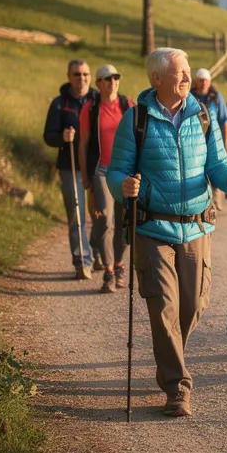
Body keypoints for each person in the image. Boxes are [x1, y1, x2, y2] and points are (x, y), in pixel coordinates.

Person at [106, 48, 227, 418]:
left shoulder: (202, 115)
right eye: (179, 72)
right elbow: (116, 170)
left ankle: (169, 358)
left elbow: (217, 165)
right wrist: (123, 186)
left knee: (194, 304)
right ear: (157, 79)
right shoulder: (136, 118)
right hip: (152, 226)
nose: (187, 78)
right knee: (164, 306)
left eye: (187, 71)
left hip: (196, 225)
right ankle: (176, 386)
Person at [78, 64, 134, 294]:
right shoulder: (91, 109)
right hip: (101, 171)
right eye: (107, 79)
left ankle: (119, 265)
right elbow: (83, 144)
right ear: (98, 83)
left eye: (115, 78)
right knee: (105, 221)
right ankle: (109, 270)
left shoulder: (128, 105)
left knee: (124, 223)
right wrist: (85, 175)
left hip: (126, 172)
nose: (112, 82)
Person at [43, 59, 95, 279]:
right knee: (76, 212)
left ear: (90, 77)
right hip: (70, 165)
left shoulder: (97, 100)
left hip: (96, 166)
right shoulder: (59, 103)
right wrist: (62, 137)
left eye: (85, 74)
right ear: (69, 77)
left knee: (102, 215)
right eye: (76, 74)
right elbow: (49, 136)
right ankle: (82, 261)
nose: (81, 78)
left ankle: (99, 253)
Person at [192, 67, 227, 209]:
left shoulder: (216, 97)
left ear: (210, 82)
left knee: (215, 167)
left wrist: (225, 145)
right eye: (200, 80)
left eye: (206, 80)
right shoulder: (189, 96)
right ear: (196, 81)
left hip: (214, 139)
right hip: (195, 140)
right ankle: (205, 201)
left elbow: (224, 122)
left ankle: (216, 194)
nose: (203, 83)